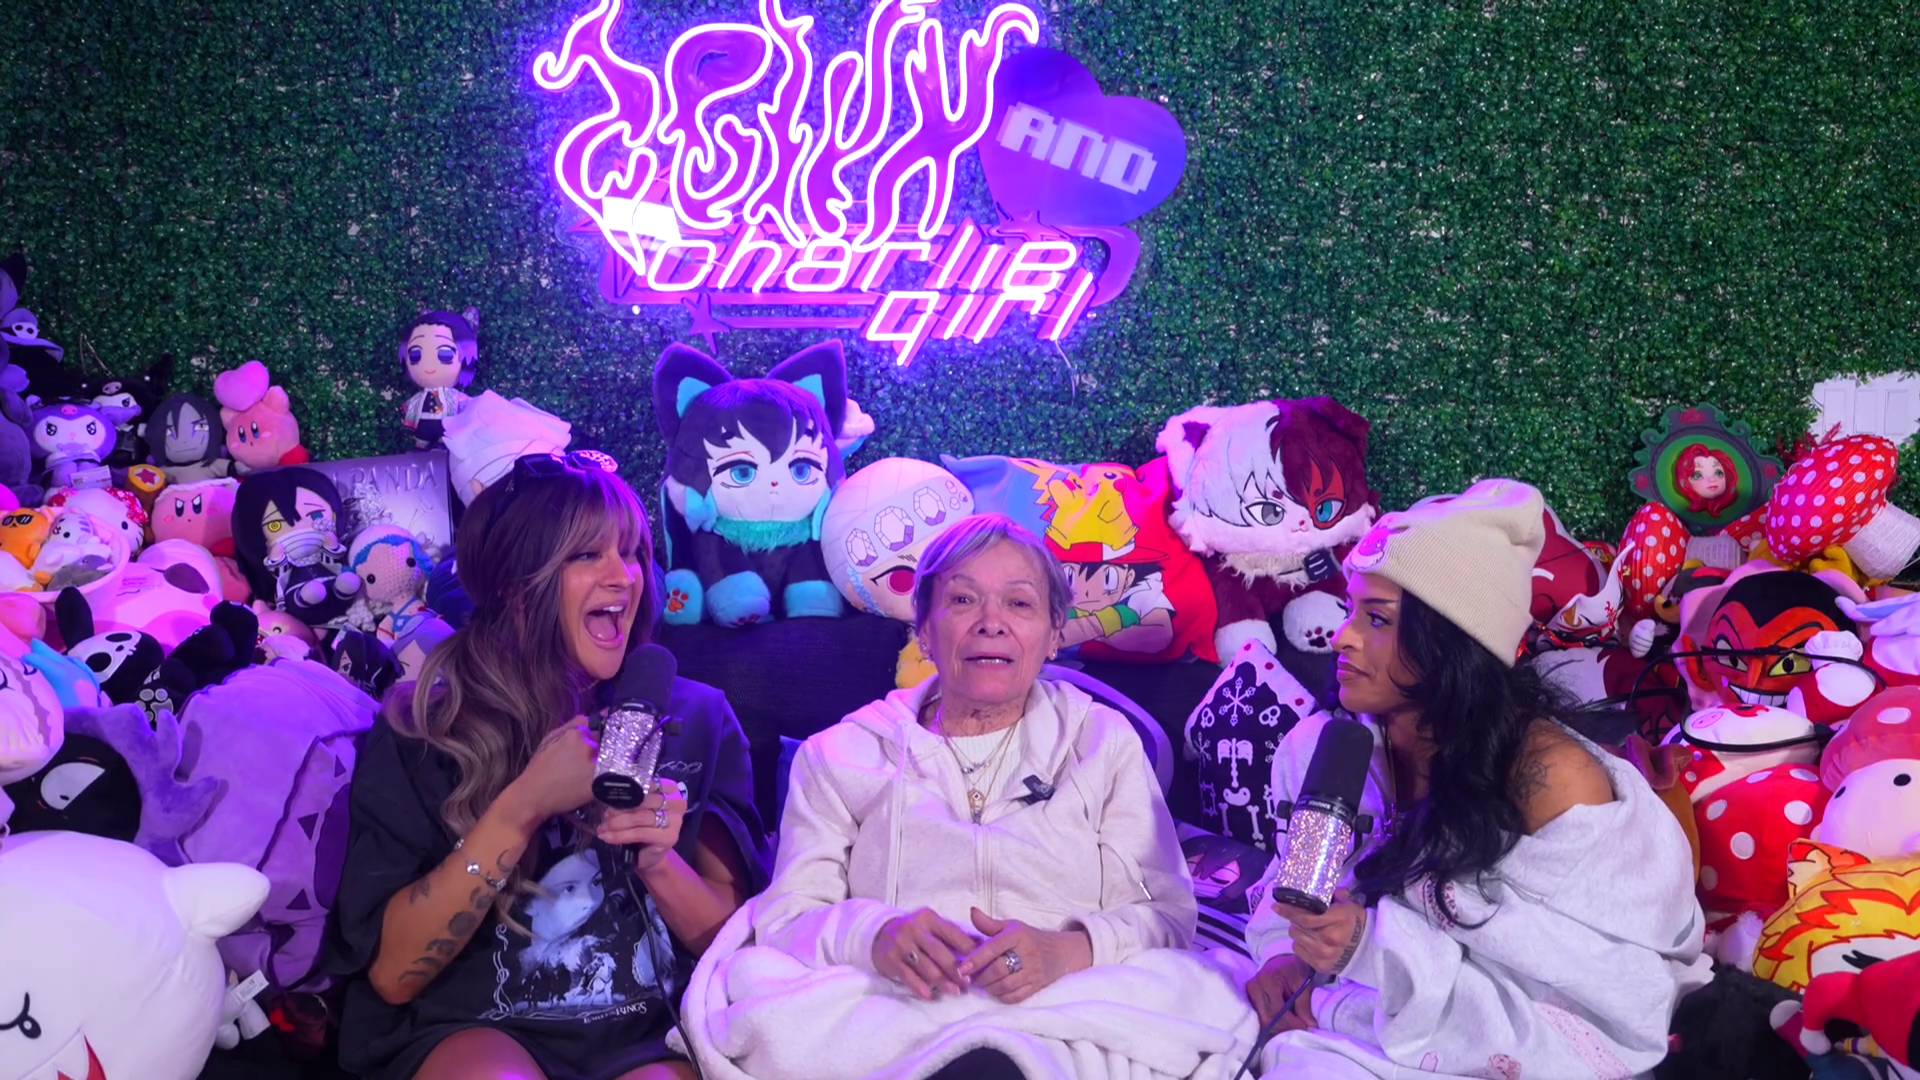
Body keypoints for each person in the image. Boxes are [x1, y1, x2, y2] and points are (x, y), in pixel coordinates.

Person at [678, 514, 1255, 1080]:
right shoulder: (837, 756)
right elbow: (788, 916)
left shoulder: (1103, 743)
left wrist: (1069, 950)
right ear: (924, 631)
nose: (991, 623)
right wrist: (874, 935)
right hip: (890, 1011)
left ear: (1055, 633)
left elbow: (1167, 916)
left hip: (1070, 1011)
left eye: (1019, 603)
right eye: (962, 600)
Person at [1242, 479, 1712, 1079]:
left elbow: (1594, 1003)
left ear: (1451, 641)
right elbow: (1291, 888)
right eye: (1351, 609)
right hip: (1339, 1007)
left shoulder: (1551, 780)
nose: (1342, 636)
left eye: (1377, 618)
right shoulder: (1321, 748)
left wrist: (1374, 950)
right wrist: (1286, 955)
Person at [326, 450, 768, 1080]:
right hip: (475, 1029)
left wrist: (657, 860)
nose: (625, 577)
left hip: (652, 1035)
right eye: (586, 555)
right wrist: (521, 808)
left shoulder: (698, 717)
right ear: (516, 587)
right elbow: (395, 976)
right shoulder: (425, 731)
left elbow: (740, 952)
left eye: (632, 552)